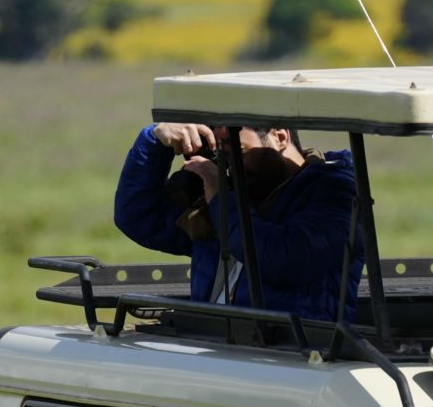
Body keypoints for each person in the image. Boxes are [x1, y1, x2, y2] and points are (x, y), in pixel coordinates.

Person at [111, 121, 364, 321]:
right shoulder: (232, 189)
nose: (230, 166)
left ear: (280, 137)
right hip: (219, 350)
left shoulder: (334, 191)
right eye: (221, 154)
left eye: (238, 151)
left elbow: (285, 258)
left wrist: (221, 200)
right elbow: (137, 217)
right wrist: (155, 142)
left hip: (294, 358)